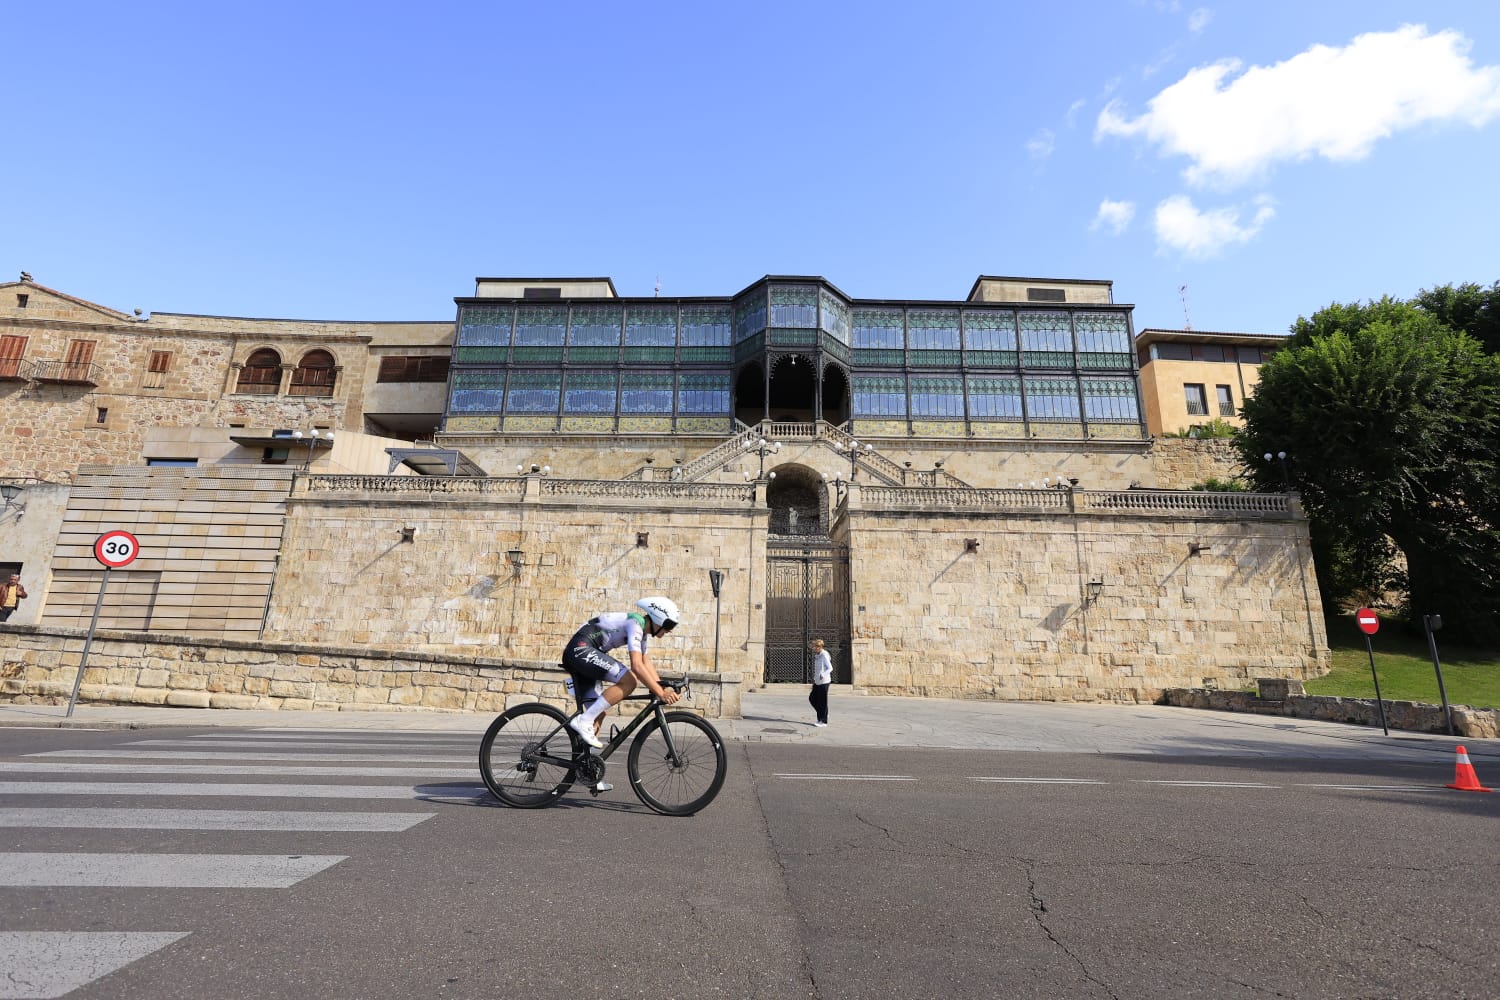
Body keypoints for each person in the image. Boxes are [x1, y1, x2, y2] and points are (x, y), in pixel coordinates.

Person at [563, 596, 682, 790]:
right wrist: (659, 692)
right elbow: (636, 667)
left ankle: (586, 772)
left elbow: (645, 662)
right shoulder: (635, 623)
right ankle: (582, 721)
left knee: (597, 712)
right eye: (669, 625)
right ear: (658, 618)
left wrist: (663, 686)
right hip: (581, 649)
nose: (669, 630)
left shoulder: (642, 632)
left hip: (584, 652)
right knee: (629, 681)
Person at [809, 638, 832, 726]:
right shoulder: (817, 655)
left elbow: (830, 668)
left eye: (814, 647)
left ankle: (823, 721)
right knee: (812, 698)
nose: (813, 648)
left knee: (822, 701)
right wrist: (815, 680)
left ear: (819, 647)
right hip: (817, 681)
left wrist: (823, 674)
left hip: (824, 681)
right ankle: (825, 714)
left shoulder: (824, 655)